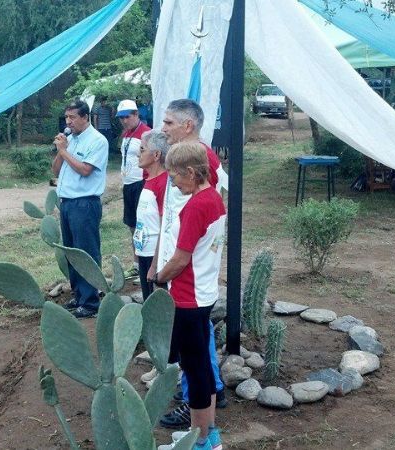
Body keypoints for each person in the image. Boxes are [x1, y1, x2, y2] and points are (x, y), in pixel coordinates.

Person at [153, 99, 226, 432]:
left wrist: (159, 278)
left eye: (176, 176)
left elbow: (183, 257)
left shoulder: (197, 205)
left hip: (186, 295)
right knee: (200, 370)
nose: (174, 181)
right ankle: (208, 433)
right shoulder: (211, 200)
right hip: (202, 292)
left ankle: (200, 437)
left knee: (195, 369)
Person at [53, 99, 109, 319]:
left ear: (85, 117)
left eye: (73, 117)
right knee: (71, 252)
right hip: (67, 202)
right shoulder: (70, 140)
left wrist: (65, 152)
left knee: (86, 252)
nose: (69, 122)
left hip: (85, 203)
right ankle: (78, 294)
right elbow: (56, 171)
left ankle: (90, 302)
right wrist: (60, 150)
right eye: (67, 117)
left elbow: (85, 170)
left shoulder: (97, 141)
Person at [117, 99, 152, 281]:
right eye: (121, 117)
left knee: (143, 225)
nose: (124, 120)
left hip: (141, 183)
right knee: (131, 225)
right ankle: (137, 264)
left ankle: (147, 266)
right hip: (128, 184)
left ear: (137, 115)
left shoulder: (146, 133)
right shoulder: (126, 134)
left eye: (127, 116)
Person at [133, 130, 169, 302]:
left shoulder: (163, 183)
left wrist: (155, 264)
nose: (138, 153)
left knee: (155, 303)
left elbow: (164, 225)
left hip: (155, 255)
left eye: (142, 149)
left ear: (156, 155)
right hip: (144, 253)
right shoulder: (148, 180)